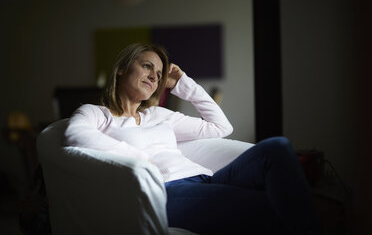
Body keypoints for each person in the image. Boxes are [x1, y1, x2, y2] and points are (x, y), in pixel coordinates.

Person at [63, 43, 323, 235]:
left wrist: (182, 84)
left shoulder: (157, 115)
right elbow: (76, 135)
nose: (155, 76)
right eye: (146, 66)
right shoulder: (96, 113)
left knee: (277, 147)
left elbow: (220, 126)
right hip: (166, 192)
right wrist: (141, 160)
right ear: (121, 69)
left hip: (205, 178)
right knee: (270, 206)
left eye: (159, 72)